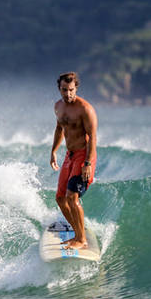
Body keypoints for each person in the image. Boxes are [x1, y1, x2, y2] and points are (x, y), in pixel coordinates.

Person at [50, 71, 98, 249]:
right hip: (69, 156)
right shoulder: (58, 107)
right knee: (60, 198)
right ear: (59, 89)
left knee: (72, 197)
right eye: (64, 90)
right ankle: (78, 230)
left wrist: (87, 163)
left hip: (83, 155)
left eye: (71, 90)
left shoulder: (85, 109)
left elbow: (93, 138)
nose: (68, 94)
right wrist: (53, 151)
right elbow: (59, 129)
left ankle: (81, 239)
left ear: (76, 87)